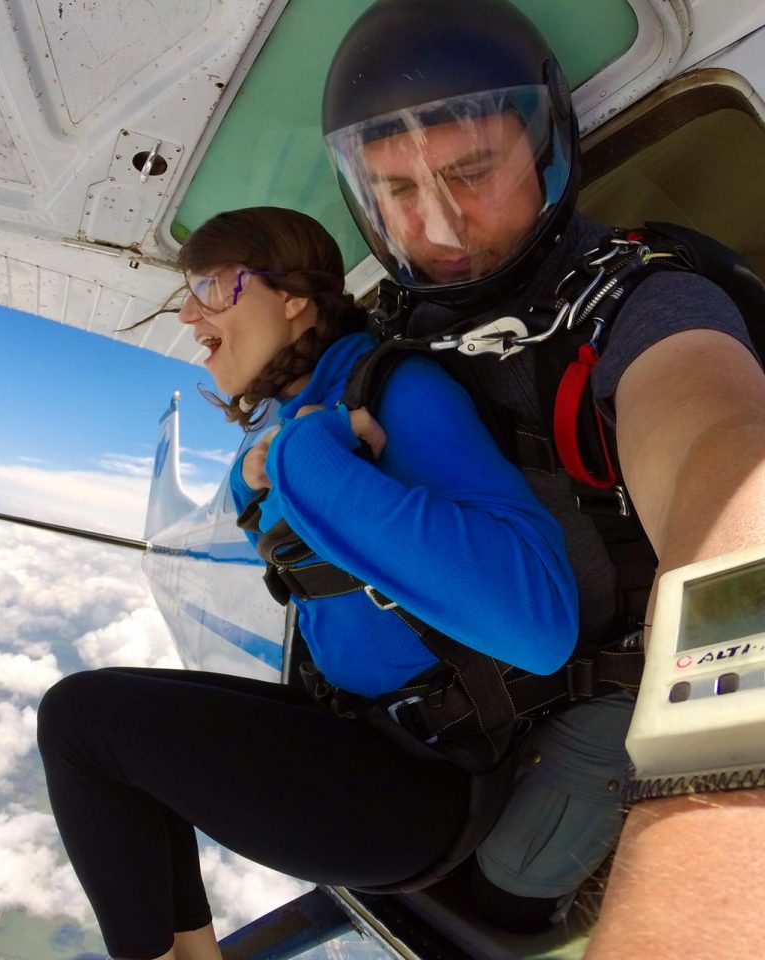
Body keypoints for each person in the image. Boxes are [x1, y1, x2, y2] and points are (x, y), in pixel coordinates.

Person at [321, 0, 765, 955]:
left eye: (472, 171)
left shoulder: (643, 300)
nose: (437, 224)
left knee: (496, 909)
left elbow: (725, 473)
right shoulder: (393, 335)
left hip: (601, 693)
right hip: (464, 682)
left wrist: (719, 794)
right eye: (396, 189)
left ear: (546, 149)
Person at [37, 205, 580, 959]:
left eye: (212, 285)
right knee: (115, 745)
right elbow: (258, 496)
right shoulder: (304, 415)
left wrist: (300, 457)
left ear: (294, 296)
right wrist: (272, 462)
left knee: (80, 724)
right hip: (363, 732)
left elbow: (540, 626)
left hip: (425, 784)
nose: (190, 313)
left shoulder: (400, 390)